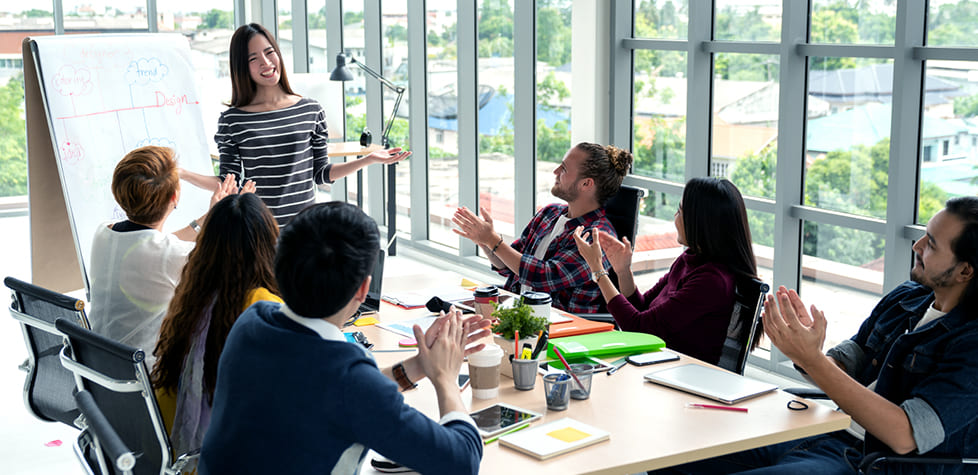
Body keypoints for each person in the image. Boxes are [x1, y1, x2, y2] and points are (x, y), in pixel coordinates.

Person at [657, 196, 978, 474]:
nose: (916, 246)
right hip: (824, 428)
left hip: (871, 462)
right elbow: (850, 361)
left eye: (931, 244)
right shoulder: (907, 297)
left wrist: (813, 360)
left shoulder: (971, 344)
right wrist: (804, 349)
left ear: (966, 270)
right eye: (924, 235)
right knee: (672, 448)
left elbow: (905, 435)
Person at [199, 202, 491, 474]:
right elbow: (462, 461)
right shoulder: (347, 380)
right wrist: (445, 377)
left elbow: (329, 394)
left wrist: (419, 365)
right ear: (363, 289)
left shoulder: (253, 321)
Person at [179, 23, 410, 227]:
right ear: (242, 66)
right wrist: (183, 174)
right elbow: (227, 183)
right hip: (259, 229)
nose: (266, 63)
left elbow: (321, 174)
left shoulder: (311, 110)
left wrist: (368, 159)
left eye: (270, 53)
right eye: (253, 59)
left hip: (305, 228)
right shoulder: (233, 121)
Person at [573, 177, 757, 365]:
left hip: (680, 374)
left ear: (699, 222)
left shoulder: (711, 281)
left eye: (680, 211)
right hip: (657, 363)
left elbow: (639, 329)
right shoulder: (689, 260)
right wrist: (623, 271)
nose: (675, 218)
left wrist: (598, 270)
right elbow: (643, 308)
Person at [151, 192, 282, 456]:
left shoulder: (192, 296)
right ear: (269, 245)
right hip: (219, 456)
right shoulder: (265, 307)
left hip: (171, 448)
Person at [88, 145, 244, 364]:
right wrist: (233, 215)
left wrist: (209, 216)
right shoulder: (173, 255)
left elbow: (152, 245)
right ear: (175, 197)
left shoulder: (103, 234)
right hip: (148, 380)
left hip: (99, 372)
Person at [452, 142, 632, 313]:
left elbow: (542, 277)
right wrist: (485, 242)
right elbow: (508, 266)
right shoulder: (550, 213)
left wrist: (493, 240)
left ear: (586, 184)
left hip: (560, 328)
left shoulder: (596, 236)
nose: (556, 171)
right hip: (517, 314)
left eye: (564, 169)